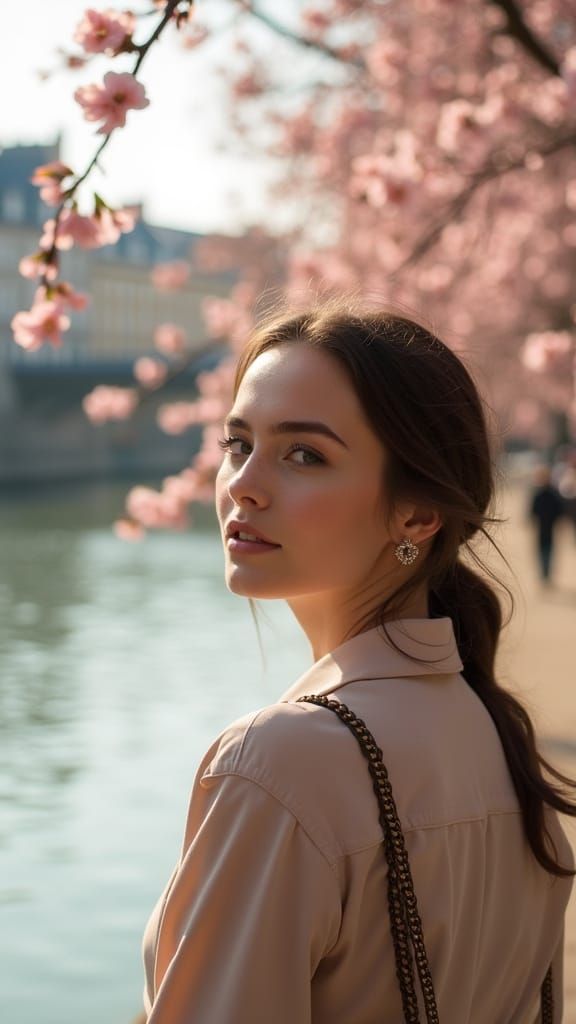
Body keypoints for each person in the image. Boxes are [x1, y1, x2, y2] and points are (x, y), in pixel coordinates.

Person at [140, 301, 575, 1023]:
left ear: (416, 515)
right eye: (238, 443)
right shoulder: (496, 734)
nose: (244, 483)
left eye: (304, 454)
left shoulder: (281, 764)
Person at [528, 464, 566, 585]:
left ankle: (547, 573)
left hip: (550, 527)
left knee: (548, 550)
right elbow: (532, 510)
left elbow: (560, 510)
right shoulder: (538, 494)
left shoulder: (552, 494)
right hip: (541, 527)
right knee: (541, 550)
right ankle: (544, 573)